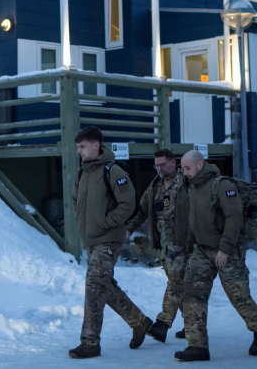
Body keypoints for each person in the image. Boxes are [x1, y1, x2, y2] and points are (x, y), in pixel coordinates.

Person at [175, 150, 257, 362]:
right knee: (192, 294)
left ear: (200, 164)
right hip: (201, 250)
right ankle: (197, 346)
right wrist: (190, 247)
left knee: (238, 296)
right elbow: (193, 220)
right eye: (183, 168)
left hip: (226, 251)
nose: (185, 172)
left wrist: (226, 248)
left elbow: (234, 216)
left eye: (188, 168)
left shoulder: (222, 185)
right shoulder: (192, 187)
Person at [68, 126, 153, 359]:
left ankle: (90, 342)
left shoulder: (113, 171)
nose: (79, 151)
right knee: (104, 285)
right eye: (78, 147)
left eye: (82, 146)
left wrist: (106, 223)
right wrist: (82, 223)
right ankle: (139, 322)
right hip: (91, 239)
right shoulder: (82, 173)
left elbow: (128, 203)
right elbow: (75, 201)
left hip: (108, 239)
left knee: (94, 287)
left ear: (96, 145)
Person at [126, 149, 189, 343]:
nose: (159, 169)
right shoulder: (155, 186)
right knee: (179, 286)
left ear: (173, 162)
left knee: (176, 283)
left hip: (185, 244)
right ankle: (192, 325)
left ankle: (162, 324)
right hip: (165, 247)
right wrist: (129, 228)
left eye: (162, 164)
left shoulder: (187, 182)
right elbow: (142, 211)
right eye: (156, 165)